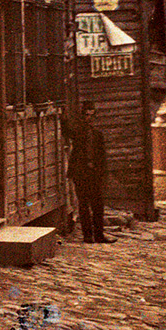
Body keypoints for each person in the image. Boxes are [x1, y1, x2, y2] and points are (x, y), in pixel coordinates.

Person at [66, 105, 113, 244]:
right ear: (82, 116)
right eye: (87, 115)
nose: (89, 119)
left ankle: (99, 235)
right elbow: (67, 129)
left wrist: (103, 174)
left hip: (94, 174)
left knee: (98, 205)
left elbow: (102, 156)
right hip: (80, 173)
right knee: (83, 204)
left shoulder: (98, 135)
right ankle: (87, 236)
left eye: (92, 116)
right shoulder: (78, 132)